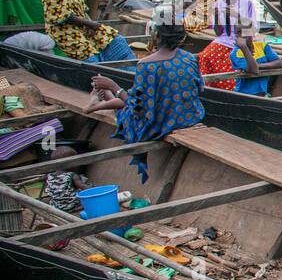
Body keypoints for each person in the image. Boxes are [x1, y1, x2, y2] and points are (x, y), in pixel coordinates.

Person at [87, 18, 204, 182]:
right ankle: (103, 99)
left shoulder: (146, 65)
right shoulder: (190, 58)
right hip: (189, 116)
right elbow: (199, 88)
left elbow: (137, 107)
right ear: (183, 38)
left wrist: (114, 86)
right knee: (134, 96)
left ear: (155, 36)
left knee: (127, 108)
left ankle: (104, 96)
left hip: (161, 123)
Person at [197, 0, 259, 91]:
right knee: (203, 56)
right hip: (223, 40)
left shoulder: (246, 3)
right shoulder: (217, 4)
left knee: (232, 63)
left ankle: (232, 88)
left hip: (243, 39)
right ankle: (209, 88)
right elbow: (218, 33)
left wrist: (237, 16)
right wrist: (216, 17)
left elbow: (253, 29)